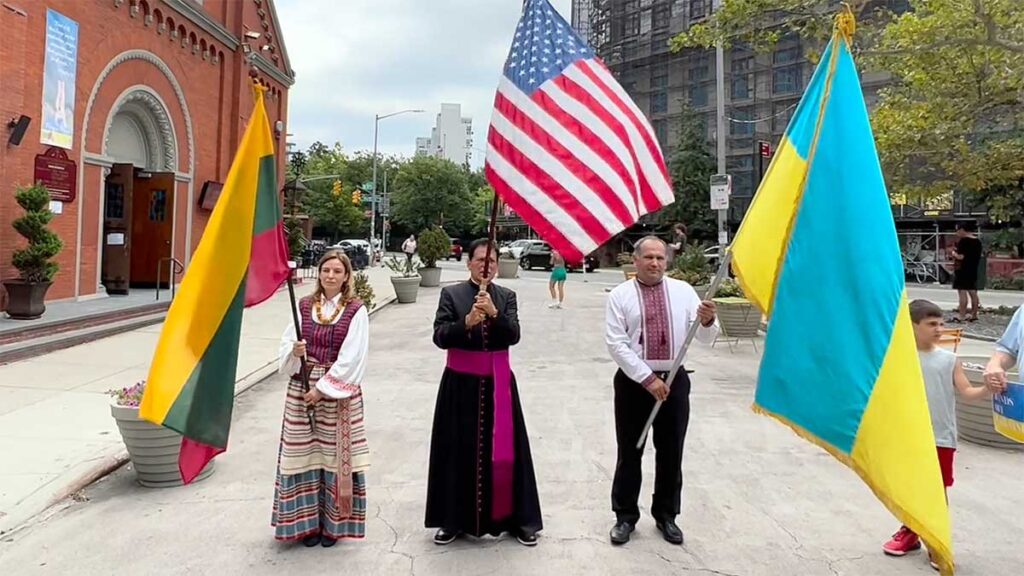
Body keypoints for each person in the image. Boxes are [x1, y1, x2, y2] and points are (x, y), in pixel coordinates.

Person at [425, 238, 543, 546]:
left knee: (507, 453)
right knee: (455, 451)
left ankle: (518, 519)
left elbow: (513, 335)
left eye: (491, 261)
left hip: (499, 383)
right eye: (480, 260)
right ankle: (452, 519)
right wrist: (466, 322)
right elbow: (439, 336)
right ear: (469, 263)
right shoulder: (450, 294)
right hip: (459, 384)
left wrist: (493, 313)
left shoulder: (506, 296)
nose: (485, 265)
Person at [604, 236, 718, 546]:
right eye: (649, 257)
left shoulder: (683, 292)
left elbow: (705, 338)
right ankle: (625, 516)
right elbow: (617, 344)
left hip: (675, 381)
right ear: (636, 260)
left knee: (671, 451)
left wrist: (708, 322)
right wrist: (647, 378)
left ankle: (667, 515)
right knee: (630, 450)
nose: (655, 263)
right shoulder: (620, 295)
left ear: (667, 262)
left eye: (660, 258)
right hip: (634, 383)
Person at [882, 299, 995, 569]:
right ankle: (910, 532)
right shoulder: (896, 356)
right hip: (907, 437)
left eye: (941, 323)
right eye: (931, 324)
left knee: (936, 491)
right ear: (912, 326)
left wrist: (988, 389)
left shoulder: (949, 360)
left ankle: (937, 541)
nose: (939, 329)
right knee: (908, 489)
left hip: (940, 438)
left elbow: (967, 392)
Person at [273, 250, 371, 547]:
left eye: (337, 271)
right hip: (302, 388)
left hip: (337, 392)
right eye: (326, 270)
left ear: (346, 276)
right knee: (303, 456)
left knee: (334, 458)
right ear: (319, 273)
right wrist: (295, 351)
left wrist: (322, 389)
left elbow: (354, 356)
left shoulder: (356, 309)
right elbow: (288, 343)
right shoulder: (303, 306)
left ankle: (333, 526)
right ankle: (306, 525)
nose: (330, 275)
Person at [950, 222, 982, 322]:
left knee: (962, 292)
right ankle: (974, 314)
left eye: (958, 230)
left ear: (963, 230)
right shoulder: (977, 241)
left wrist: (953, 253)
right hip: (973, 269)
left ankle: (962, 315)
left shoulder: (964, 241)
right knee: (973, 292)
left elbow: (961, 256)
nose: (957, 232)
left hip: (962, 269)